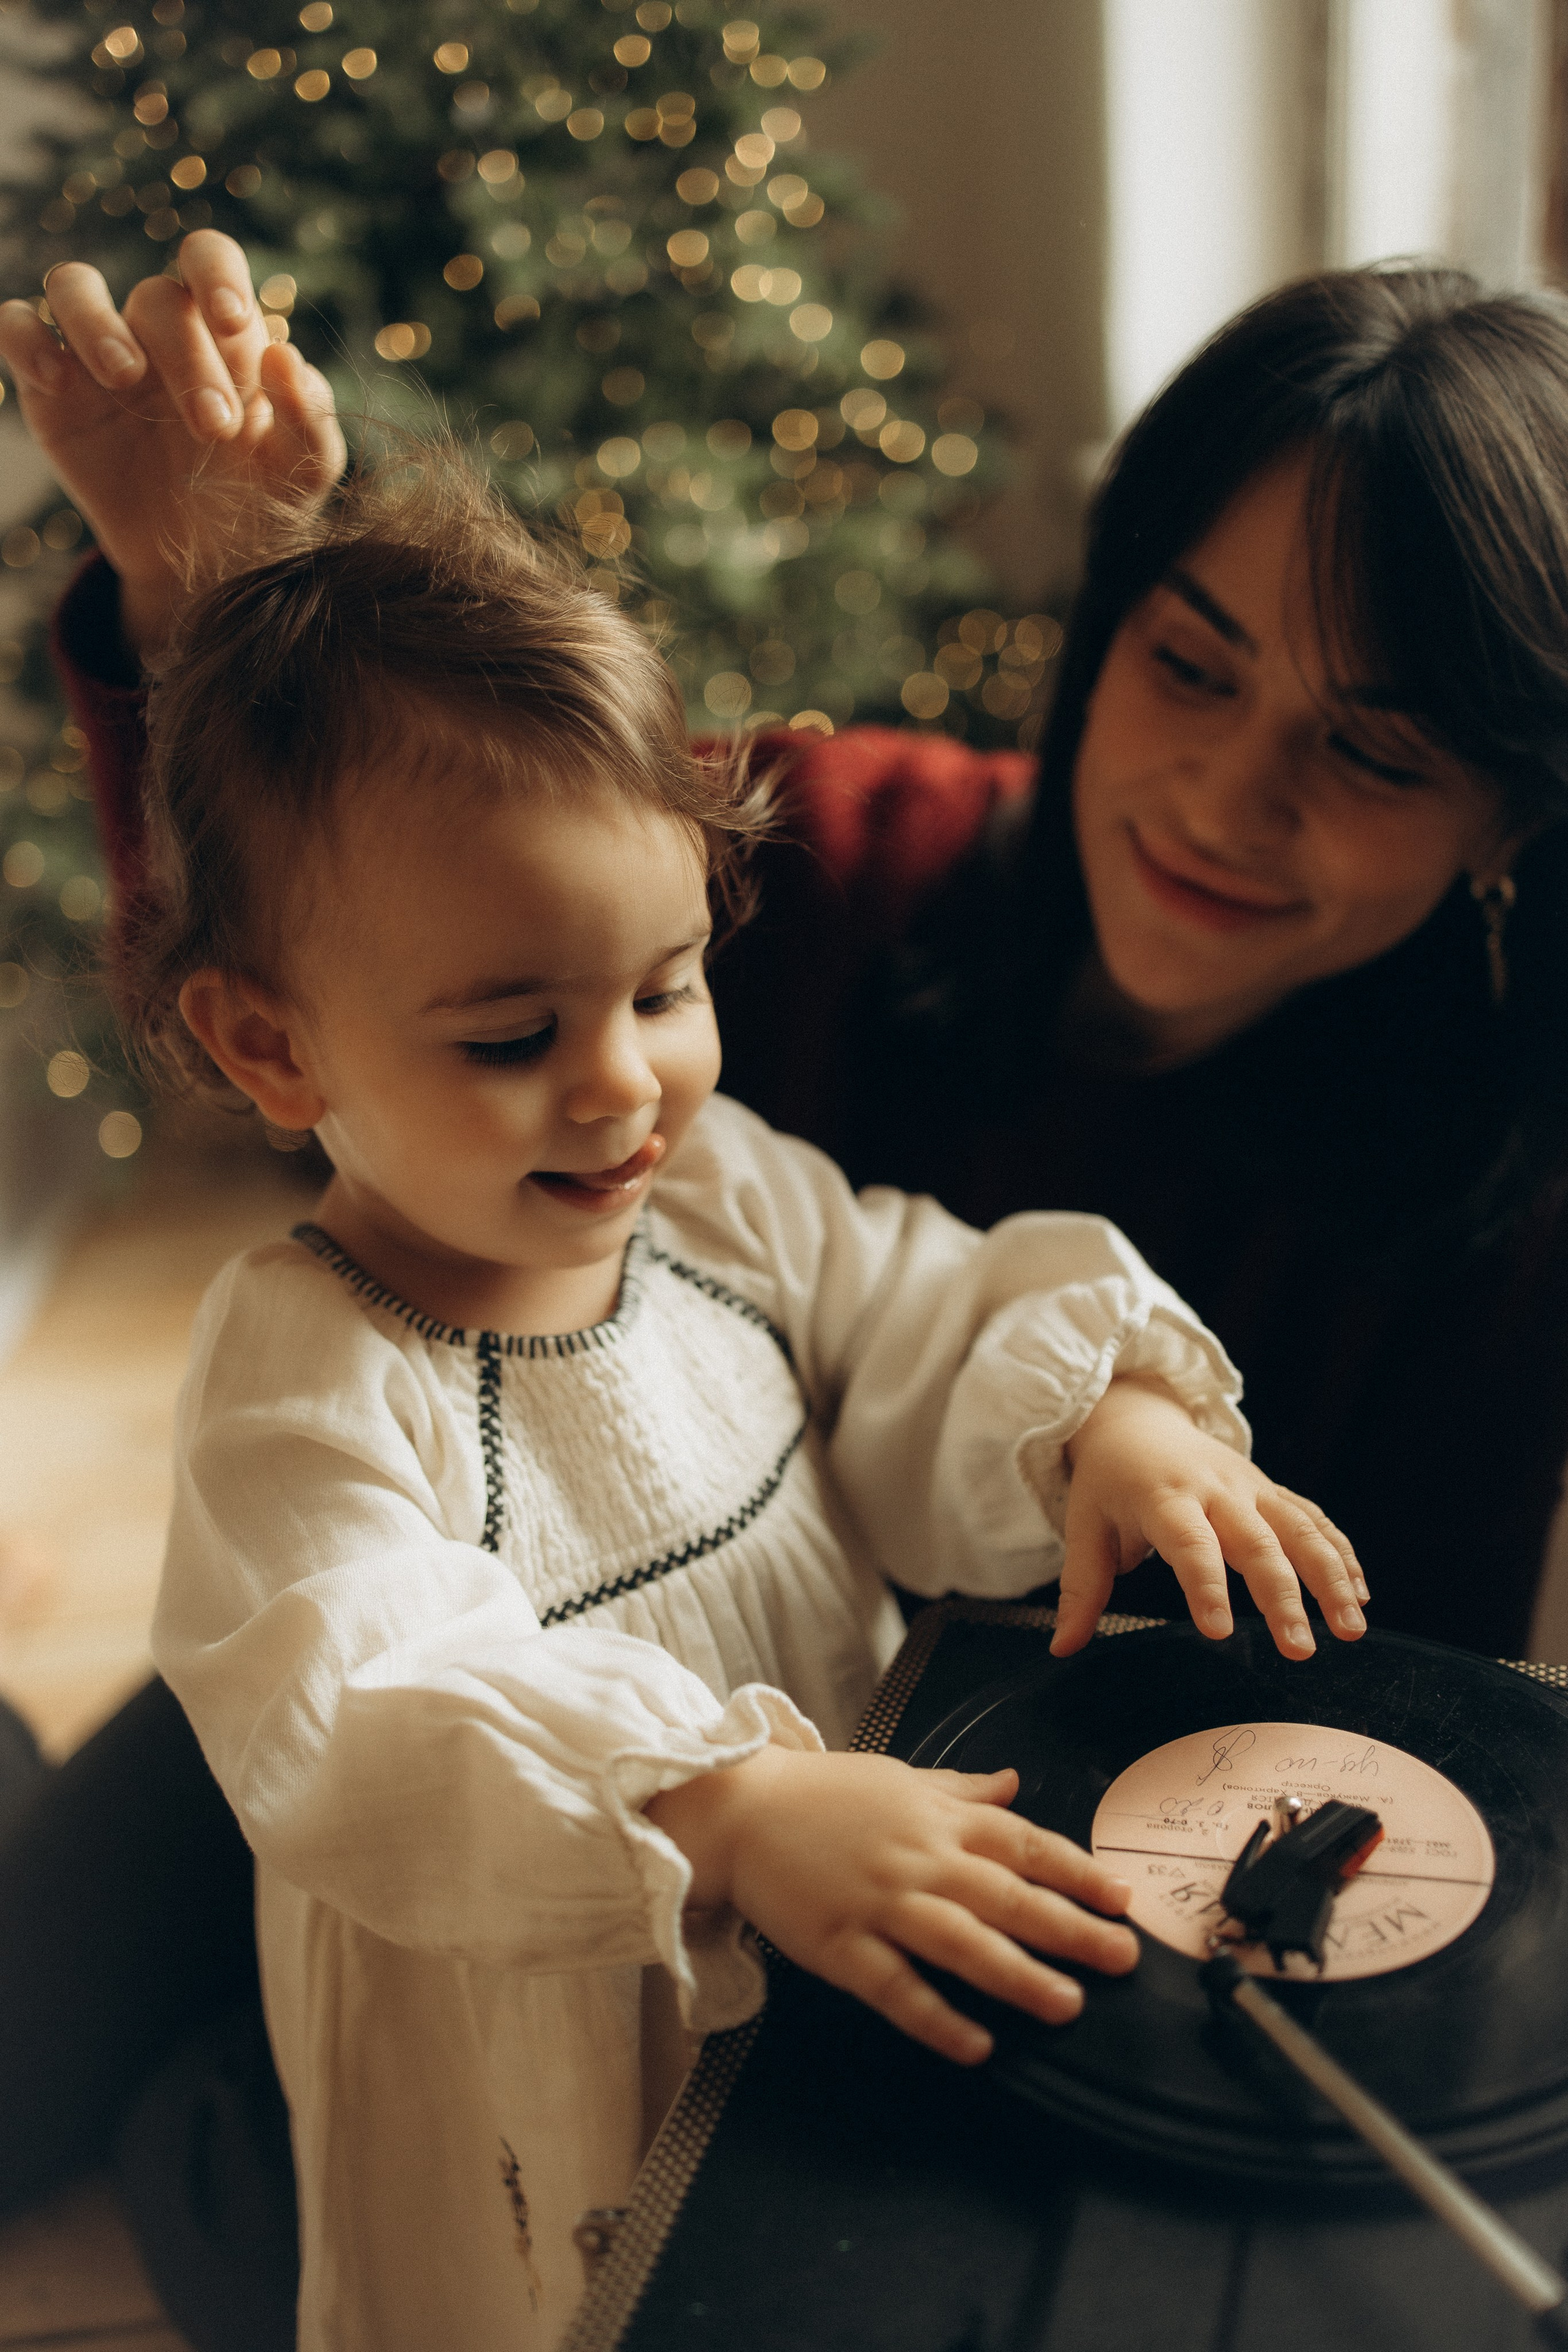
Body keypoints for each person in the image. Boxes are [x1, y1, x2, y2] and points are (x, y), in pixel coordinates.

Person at [2, 233, 1566, 2339]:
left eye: (1370, 752)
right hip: (464, 1757)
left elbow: (928, 1304)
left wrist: (1117, 1414)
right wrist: (204, 592)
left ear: (1506, 810)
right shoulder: (796, 856)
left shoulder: (731, 1159)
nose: (1225, 794)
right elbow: (371, 889)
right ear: (1104, 621)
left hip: (867, 1841)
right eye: (1190, 665)